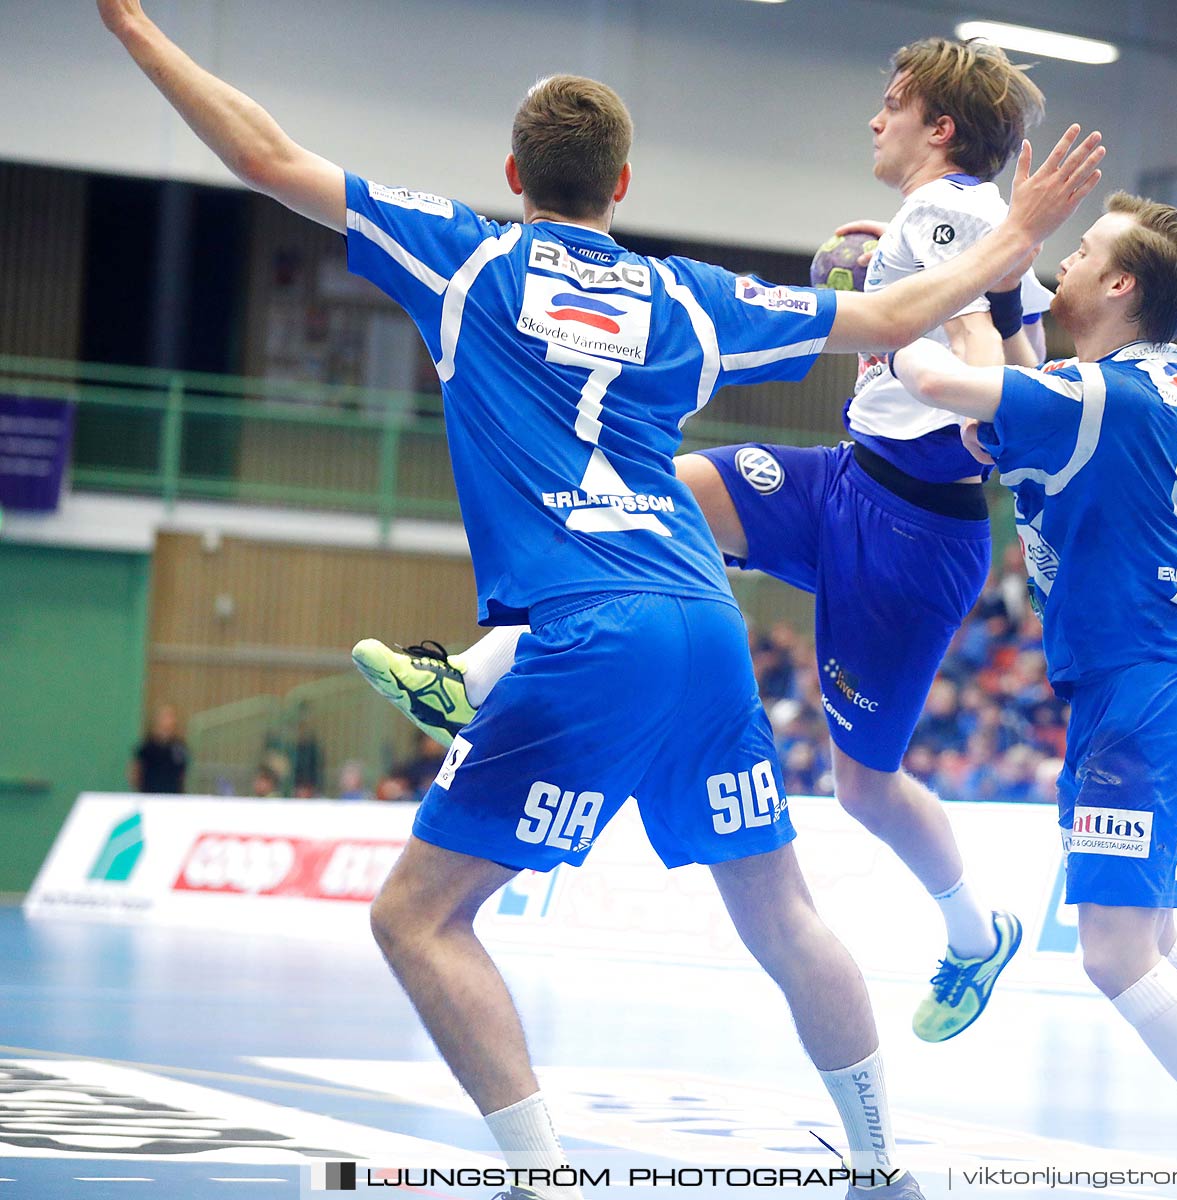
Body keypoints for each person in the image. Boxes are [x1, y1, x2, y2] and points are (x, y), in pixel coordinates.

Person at [99, 5, 1104, 1198]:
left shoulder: (463, 255)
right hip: (704, 624)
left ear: (516, 176)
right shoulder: (685, 299)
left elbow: (263, 155)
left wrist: (134, 28)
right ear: (623, 184)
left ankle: (539, 1179)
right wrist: (1023, 234)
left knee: (417, 918)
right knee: (781, 913)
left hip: (585, 630)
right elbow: (887, 323)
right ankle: (882, 1169)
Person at [349, 38, 1068, 1044]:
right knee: (665, 491)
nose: (877, 117)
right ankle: (475, 674)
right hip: (848, 477)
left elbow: (1005, 367)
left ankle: (975, 930)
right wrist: (898, 287)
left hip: (916, 531)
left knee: (864, 784)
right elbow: (1010, 336)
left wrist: (946, 353)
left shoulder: (957, 213)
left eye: (894, 103)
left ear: (939, 129)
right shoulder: (943, 221)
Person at [890, 192, 1177, 1199]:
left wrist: (934, 286)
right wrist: (996, 292)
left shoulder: (1103, 397)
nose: (1062, 261)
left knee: (1112, 955)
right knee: (1154, 940)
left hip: (1141, 699)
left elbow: (937, 376)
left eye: (1083, 251)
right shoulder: (1143, 379)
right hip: (1152, 687)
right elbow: (1013, 404)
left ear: (1120, 285)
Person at [131, 702, 188, 795]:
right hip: (149, 796)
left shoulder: (180, 747)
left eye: (171, 717)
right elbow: (135, 773)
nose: (168, 721)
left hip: (172, 797)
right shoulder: (146, 747)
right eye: (164, 717)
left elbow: (182, 775)